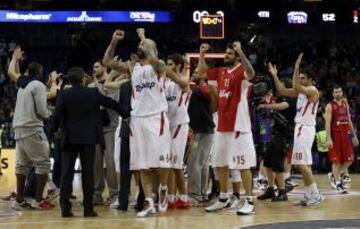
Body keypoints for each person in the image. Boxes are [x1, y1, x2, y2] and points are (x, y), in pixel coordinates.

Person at [52, 67, 121, 217]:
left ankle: (65, 208)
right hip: (89, 139)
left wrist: (52, 130)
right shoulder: (92, 92)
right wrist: (125, 112)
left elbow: (56, 115)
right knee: (88, 174)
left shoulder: (64, 94)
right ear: (83, 78)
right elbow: (109, 102)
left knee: (66, 174)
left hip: (69, 138)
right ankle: (88, 209)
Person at [198, 42, 257, 215]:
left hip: (239, 126)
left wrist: (241, 50)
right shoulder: (221, 72)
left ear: (237, 57)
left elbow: (252, 73)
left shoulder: (242, 72)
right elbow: (202, 72)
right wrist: (202, 54)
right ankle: (223, 197)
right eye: (227, 53)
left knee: (243, 165)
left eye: (230, 54)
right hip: (222, 125)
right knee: (220, 164)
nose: (226, 56)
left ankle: (249, 200)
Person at [7, 46, 53, 210]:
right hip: (32, 128)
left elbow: (12, 72)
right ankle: (38, 200)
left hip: (18, 129)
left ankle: (19, 200)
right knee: (43, 164)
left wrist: (15, 58)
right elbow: (42, 110)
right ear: (39, 72)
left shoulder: (22, 84)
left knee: (22, 165)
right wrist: (50, 115)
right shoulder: (38, 85)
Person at [257, 73, 297, 202]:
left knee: (278, 165)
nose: (279, 89)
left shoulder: (291, 99)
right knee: (268, 163)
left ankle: (282, 192)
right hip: (274, 134)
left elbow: (281, 107)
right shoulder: (279, 98)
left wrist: (265, 106)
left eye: (282, 86)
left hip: (284, 135)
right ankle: (270, 189)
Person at [291, 53, 323, 206]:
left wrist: (296, 66)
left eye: (303, 78)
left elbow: (296, 86)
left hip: (305, 129)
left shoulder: (312, 90)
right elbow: (285, 90)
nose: (301, 80)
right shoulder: (303, 90)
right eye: (300, 77)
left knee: (300, 164)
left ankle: (315, 194)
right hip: (302, 128)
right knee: (305, 164)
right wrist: (274, 76)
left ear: (310, 79)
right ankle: (309, 195)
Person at [164, 53, 191, 209]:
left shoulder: (183, 80)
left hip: (180, 124)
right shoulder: (166, 84)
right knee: (169, 163)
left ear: (178, 66)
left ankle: (183, 197)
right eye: (166, 64)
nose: (167, 67)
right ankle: (171, 197)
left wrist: (165, 70)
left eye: (171, 64)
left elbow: (181, 81)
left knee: (177, 165)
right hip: (168, 125)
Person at [187, 67, 217, 204]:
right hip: (204, 130)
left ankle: (195, 194)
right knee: (203, 163)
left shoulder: (203, 89)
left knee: (195, 163)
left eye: (195, 72)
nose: (192, 74)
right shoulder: (202, 90)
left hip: (202, 131)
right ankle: (202, 193)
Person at [324, 85, 359, 193]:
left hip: (345, 135)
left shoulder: (345, 104)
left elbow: (349, 121)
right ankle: (338, 183)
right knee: (336, 161)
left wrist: (354, 136)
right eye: (335, 92)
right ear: (333, 94)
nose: (338, 93)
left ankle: (334, 175)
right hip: (335, 135)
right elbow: (328, 123)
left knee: (349, 160)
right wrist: (328, 138)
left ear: (342, 92)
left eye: (339, 91)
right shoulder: (330, 106)